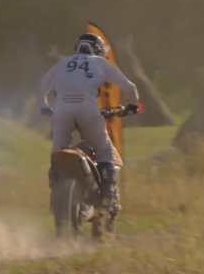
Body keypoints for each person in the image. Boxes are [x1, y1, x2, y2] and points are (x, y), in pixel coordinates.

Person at [36, 33, 139, 208]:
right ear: (98, 49)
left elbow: (41, 89)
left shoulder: (61, 63)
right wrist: (132, 106)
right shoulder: (101, 63)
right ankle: (108, 194)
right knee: (104, 149)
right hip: (88, 110)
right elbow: (131, 88)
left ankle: (56, 196)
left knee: (57, 154)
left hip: (62, 112)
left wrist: (45, 108)